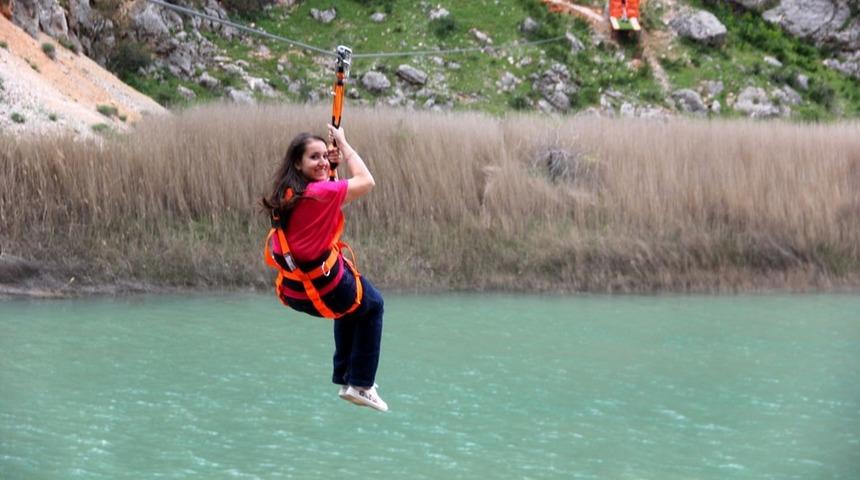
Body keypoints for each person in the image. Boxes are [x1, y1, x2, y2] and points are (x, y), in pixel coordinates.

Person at [261, 125, 388, 412]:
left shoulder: (290, 193)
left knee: (351, 309)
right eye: (313, 158)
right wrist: (344, 146)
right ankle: (362, 384)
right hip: (326, 287)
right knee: (373, 305)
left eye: (323, 156)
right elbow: (366, 181)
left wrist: (329, 167)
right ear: (298, 163)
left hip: (297, 292)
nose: (321, 162)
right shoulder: (321, 193)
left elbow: (326, 197)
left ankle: (346, 377)